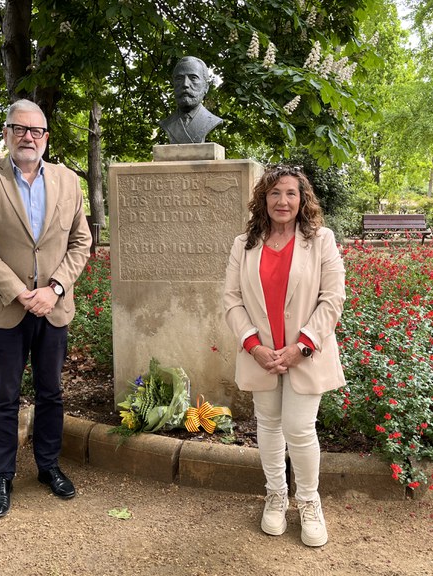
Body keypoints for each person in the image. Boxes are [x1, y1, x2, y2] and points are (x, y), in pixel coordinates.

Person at [0, 99, 92, 519]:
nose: (28, 137)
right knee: (4, 396)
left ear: (46, 137)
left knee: (51, 391)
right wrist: (21, 292)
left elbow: (81, 242)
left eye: (36, 131)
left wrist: (55, 288)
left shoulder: (68, 181)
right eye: (19, 129)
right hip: (6, 307)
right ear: (7, 133)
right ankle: (2, 476)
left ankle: (48, 466)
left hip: (53, 307)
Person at [223, 165, 346, 547]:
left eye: (291, 193)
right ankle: (275, 495)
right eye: (274, 193)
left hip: (306, 354)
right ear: (263, 199)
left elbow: (333, 298)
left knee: (299, 428)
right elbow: (231, 299)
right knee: (269, 425)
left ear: (302, 199)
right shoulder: (244, 244)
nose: (283, 201)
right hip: (261, 354)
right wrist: (253, 346)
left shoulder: (321, 240)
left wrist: (302, 345)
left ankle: (308, 501)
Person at [159, 56, 223, 144]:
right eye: (179, 78)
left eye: (193, 78)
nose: (185, 84)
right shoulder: (167, 123)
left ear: (206, 87)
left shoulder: (212, 120)